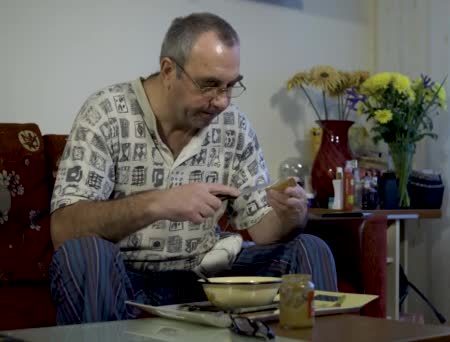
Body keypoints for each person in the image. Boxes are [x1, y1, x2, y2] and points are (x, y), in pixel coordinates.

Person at [49, 12, 337, 324]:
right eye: (209, 85)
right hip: (124, 279)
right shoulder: (106, 114)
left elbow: (260, 227)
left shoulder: (233, 125)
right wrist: (157, 203)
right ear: (168, 70)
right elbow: (63, 229)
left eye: (231, 86)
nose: (222, 101)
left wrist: (289, 218)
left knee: (310, 248)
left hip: (209, 278)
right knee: (85, 256)